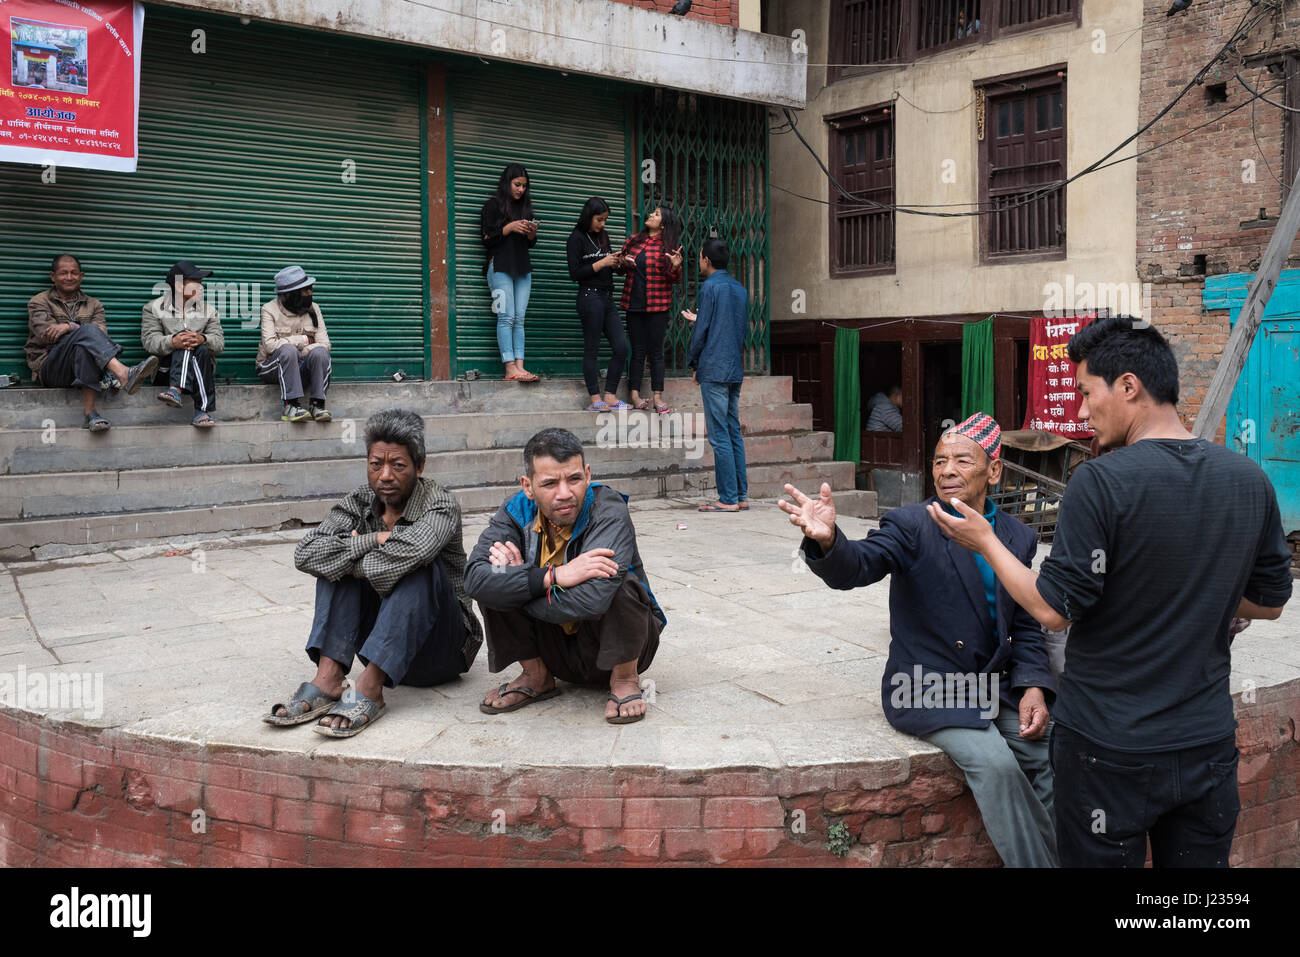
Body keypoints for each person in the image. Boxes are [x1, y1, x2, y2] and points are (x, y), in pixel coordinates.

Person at [928, 316, 1293, 868]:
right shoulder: (1248, 479)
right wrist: (1198, 589)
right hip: (1206, 748)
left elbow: (1053, 609)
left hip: (1107, 748)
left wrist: (985, 541)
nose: (1079, 412)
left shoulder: (1101, 482)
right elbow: (1269, 601)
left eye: (1085, 393)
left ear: (1128, 387)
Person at [783, 412, 1059, 867]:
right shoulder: (912, 525)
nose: (946, 470)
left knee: (1052, 752)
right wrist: (829, 541)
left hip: (993, 687)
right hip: (928, 689)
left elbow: (1028, 621)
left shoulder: (1016, 536)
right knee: (998, 765)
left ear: (993, 470)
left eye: (962, 461)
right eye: (939, 461)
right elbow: (860, 565)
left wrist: (1033, 684)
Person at [270, 409, 484, 738]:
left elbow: (414, 552)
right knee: (336, 564)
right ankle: (328, 679)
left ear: (419, 466)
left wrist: (350, 552)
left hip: (443, 648)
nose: (385, 475)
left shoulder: (440, 505)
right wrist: (374, 539)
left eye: (397, 465)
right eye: (375, 465)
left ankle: (370, 688)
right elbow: (306, 553)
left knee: (417, 565)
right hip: (382, 640)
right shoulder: (357, 502)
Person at [465, 428, 665, 724]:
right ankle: (536, 676)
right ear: (528, 486)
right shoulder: (514, 512)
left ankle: (624, 679)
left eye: (574, 479)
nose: (565, 493)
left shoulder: (608, 509)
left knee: (620, 584)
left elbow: (595, 599)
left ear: (587, 474)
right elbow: (475, 579)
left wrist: (520, 587)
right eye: (549, 483)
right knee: (496, 582)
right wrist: (551, 576)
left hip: (618, 644)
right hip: (554, 648)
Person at [25, 254, 158, 432]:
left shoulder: (94, 305)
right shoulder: (39, 302)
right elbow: (46, 335)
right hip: (51, 366)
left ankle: (91, 413)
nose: (69, 277)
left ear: (81, 276)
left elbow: (100, 335)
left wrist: (67, 328)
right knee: (88, 334)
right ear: (53, 276)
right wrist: (75, 328)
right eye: (63, 273)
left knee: (86, 346)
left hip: (81, 365)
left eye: (74, 273)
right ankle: (124, 373)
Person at [681, 238, 749, 513]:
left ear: (706, 261)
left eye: (699, 258)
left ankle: (728, 499)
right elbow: (733, 326)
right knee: (733, 432)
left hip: (715, 367)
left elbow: (704, 330)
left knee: (719, 434)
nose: (699, 262)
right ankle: (741, 495)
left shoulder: (709, 287)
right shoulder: (739, 289)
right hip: (734, 367)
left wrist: (694, 362)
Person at [141, 260, 225, 428]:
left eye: (202, 283)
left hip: (199, 369)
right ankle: (201, 411)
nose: (202, 287)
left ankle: (176, 391)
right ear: (179, 286)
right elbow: (150, 342)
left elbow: (219, 343)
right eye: (196, 283)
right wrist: (173, 341)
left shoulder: (209, 310)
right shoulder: (153, 308)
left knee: (198, 347)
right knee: (183, 340)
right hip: (166, 371)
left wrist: (203, 339)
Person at [566, 197, 631, 412]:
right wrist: (602, 262)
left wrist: (619, 263)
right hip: (589, 297)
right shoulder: (576, 238)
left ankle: (610, 396)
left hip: (607, 297)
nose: (602, 224)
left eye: (605, 220)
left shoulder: (603, 236)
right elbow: (575, 273)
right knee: (591, 348)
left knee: (621, 347)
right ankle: (595, 399)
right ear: (588, 216)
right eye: (599, 219)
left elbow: (609, 268)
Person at [620, 204, 684, 413]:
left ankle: (658, 396)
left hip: (658, 305)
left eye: (656, 214)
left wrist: (675, 266)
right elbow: (619, 267)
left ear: (664, 225)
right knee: (637, 351)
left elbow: (673, 278)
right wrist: (623, 263)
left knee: (656, 352)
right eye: (652, 213)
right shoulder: (633, 241)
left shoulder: (669, 247)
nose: (650, 215)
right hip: (634, 303)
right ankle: (635, 395)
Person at [481, 163, 539, 382]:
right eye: (517, 184)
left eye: (524, 186)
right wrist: (509, 228)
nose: (521, 189)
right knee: (506, 317)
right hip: (499, 268)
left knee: (519, 318)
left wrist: (531, 233)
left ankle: (520, 367)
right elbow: (486, 239)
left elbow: (531, 244)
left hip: (523, 268)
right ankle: (509, 368)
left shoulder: (525, 208)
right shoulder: (492, 206)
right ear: (506, 183)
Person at [257, 265, 333, 423]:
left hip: (301, 367)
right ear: (290, 295)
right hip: (271, 368)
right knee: (288, 351)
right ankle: (290, 405)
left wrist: (302, 352)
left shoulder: (314, 308)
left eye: (310, 288)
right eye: (305, 290)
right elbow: (270, 346)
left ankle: (317, 404)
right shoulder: (269, 309)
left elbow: (325, 344)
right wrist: (304, 341)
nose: (310, 293)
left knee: (320, 353)